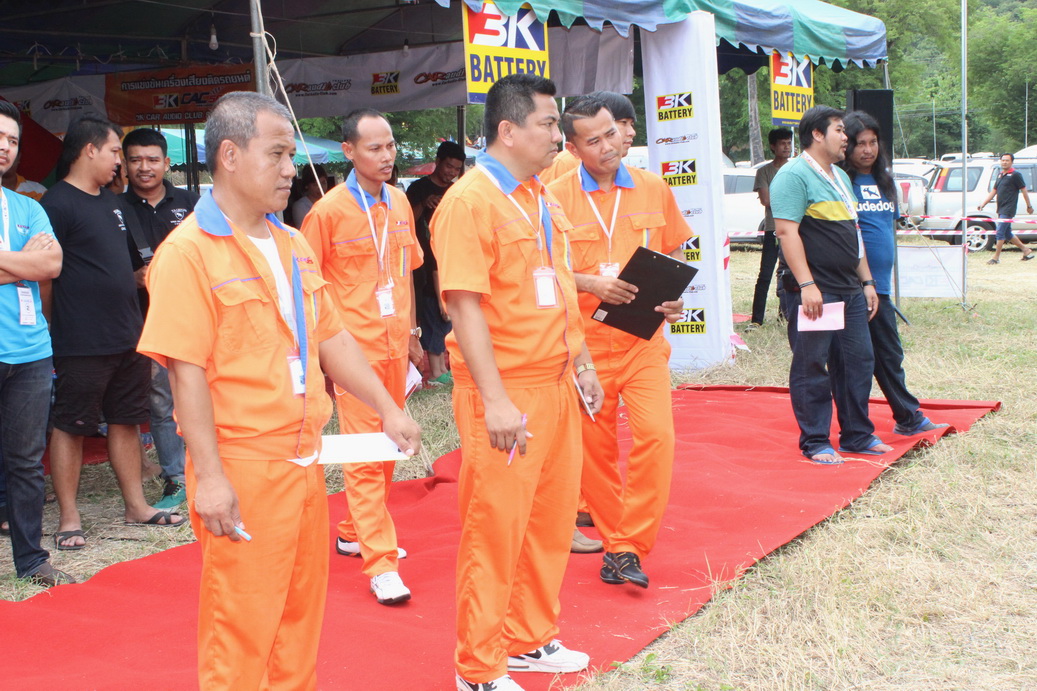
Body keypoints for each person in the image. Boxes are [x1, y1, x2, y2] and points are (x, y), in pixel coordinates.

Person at [137, 91, 421, 690]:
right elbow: (185, 374)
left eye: (291, 154)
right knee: (242, 629)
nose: (291, 168)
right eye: (278, 154)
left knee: (298, 619)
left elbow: (332, 340)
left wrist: (387, 407)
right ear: (230, 156)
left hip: (304, 459)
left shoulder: (291, 243)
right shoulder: (188, 253)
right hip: (243, 466)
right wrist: (212, 478)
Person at [432, 73, 604, 691]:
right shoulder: (469, 202)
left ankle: (529, 639)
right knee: (496, 530)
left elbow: (560, 291)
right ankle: (479, 667)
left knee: (550, 522)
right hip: (505, 390)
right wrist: (496, 401)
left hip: (555, 382)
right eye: (549, 124)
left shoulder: (539, 196)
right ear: (507, 130)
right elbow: (464, 307)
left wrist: (582, 364)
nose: (559, 135)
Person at [548, 96, 691, 589]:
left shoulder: (652, 187)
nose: (608, 146)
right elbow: (543, 270)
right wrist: (590, 283)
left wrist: (673, 299)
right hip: (585, 348)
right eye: (593, 140)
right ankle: (618, 546)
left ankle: (630, 544)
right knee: (596, 454)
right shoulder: (553, 197)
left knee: (657, 437)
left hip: (643, 340)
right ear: (572, 148)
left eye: (612, 133)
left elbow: (671, 255)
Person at [41, 115, 185, 551]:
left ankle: (136, 505)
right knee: (71, 425)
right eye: (114, 152)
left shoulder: (113, 202)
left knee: (126, 419)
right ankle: (69, 517)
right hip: (81, 338)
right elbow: (45, 274)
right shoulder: (56, 203)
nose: (119, 162)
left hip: (127, 333)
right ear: (90, 150)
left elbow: (125, 265)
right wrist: (50, 330)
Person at [301, 108, 422, 606]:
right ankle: (381, 562)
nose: (386, 155)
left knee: (391, 446)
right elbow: (308, 289)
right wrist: (320, 358)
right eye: (374, 148)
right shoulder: (327, 212)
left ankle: (353, 532)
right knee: (366, 457)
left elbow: (406, 273)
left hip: (395, 346)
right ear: (348, 151)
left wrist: (413, 335)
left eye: (390, 145)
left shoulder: (400, 202)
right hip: (354, 355)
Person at [770, 105, 893, 464]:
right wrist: (807, 284)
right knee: (813, 364)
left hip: (850, 289)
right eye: (839, 130)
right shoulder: (793, 175)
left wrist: (866, 280)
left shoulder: (840, 176)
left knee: (858, 360)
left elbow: (853, 233)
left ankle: (857, 435)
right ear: (817, 134)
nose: (846, 138)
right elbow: (786, 232)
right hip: (816, 290)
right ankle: (816, 441)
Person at [835, 112, 949, 437]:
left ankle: (906, 417)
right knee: (864, 357)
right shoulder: (841, 182)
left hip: (880, 285)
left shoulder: (886, 182)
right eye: (860, 143)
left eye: (873, 142)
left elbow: (887, 229)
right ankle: (884, 423)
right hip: (855, 284)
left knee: (887, 353)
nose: (867, 150)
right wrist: (865, 279)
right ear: (847, 146)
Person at [0, 100, 73, 587]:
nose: (5, 147)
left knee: (26, 462)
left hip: (29, 350)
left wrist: (21, 263)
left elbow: (52, 266)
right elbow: (34, 266)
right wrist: (20, 262)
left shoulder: (28, 206)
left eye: (12, 140)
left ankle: (31, 559)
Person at [122, 128, 200, 510]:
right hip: (143, 318)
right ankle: (176, 477)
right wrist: (131, 277)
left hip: (194, 314)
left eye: (152, 159)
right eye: (135, 159)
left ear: (167, 162)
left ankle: (210, 468)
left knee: (205, 391)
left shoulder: (191, 202)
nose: (144, 167)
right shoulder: (114, 209)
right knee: (160, 398)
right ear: (124, 164)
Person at [406, 140, 466, 385]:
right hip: (422, 264)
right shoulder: (418, 188)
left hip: (449, 260)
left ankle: (442, 366)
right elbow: (406, 222)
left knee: (447, 315)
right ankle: (432, 369)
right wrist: (424, 203)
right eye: (449, 166)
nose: (452, 172)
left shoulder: (457, 190)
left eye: (457, 169)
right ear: (438, 162)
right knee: (429, 312)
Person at [748, 128, 793, 329]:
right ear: (773, 146)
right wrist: (792, 199)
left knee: (791, 273)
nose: (786, 147)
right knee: (765, 274)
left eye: (789, 143)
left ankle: (786, 315)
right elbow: (766, 200)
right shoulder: (764, 171)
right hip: (773, 228)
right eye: (782, 143)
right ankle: (757, 319)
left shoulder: (796, 170)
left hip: (794, 229)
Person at [977, 153, 1034, 264]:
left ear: (1012, 162)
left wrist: (1029, 206)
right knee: (1007, 233)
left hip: (1008, 209)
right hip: (1000, 208)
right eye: (1003, 160)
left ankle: (996, 258)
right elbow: (994, 191)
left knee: (1000, 233)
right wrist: (983, 204)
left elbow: (1024, 190)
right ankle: (1025, 250)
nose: (1004, 162)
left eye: (1007, 160)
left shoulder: (1016, 175)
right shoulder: (1000, 175)